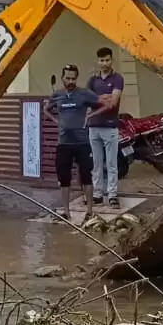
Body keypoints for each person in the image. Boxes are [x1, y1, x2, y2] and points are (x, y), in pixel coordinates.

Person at [44, 65, 100, 220]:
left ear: (77, 78)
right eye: (67, 78)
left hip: (82, 143)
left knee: (86, 176)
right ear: (62, 78)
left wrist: (89, 117)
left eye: (73, 78)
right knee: (64, 178)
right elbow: (46, 109)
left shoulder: (85, 94)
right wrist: (56, 120)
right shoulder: (57, 95)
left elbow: (102, 104)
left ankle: (89, 211)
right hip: (64, 144)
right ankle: (66, 212)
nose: (70, 81)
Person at [87, 47, 125, 211]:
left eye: (107, 60)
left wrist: (97, 99)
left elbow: (113, 102)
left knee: (111, 163)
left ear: (112, 60)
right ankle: (97, 194)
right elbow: (87, 101)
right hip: (93, 126)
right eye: (101, 60)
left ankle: (112, 195)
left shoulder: (118, 79)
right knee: (96, 163)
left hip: (110, 126)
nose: (104, 63)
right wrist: (102, 97)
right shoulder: (92, 80)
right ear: (98, 61)